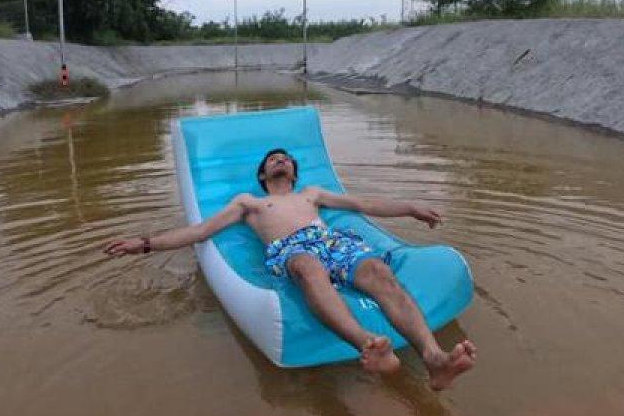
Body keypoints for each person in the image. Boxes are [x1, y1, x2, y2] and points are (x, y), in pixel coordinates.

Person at [103, 148, 477, 390]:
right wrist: (146, 242)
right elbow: (201, 230)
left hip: (333, 242)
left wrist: (410, 207)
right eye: (273, 159)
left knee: (379, 273)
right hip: (292, 250)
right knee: (306, 266)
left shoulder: (311, 194)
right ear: (263, 175)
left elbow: (362, 203)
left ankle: (435, 359)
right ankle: (369, 346)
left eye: (286, 158)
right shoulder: (249, 202)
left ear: (294, 173)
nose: (280, 159)